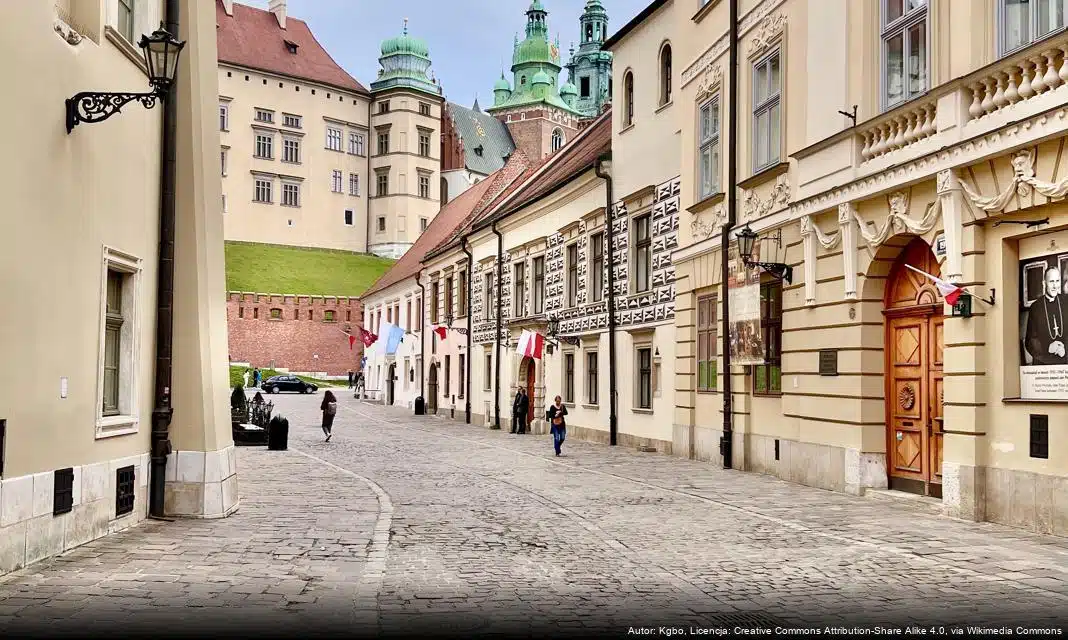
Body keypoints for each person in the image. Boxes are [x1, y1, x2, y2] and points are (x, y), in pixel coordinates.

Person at [1025, 266, 1068, 365]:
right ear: (1044, 283)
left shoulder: (1066, 302)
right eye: (1051, 281)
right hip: (1043, 361)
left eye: (1057, 281)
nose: (1055, 286)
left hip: (1065, 360)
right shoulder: (1035, 307)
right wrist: (1047, 347)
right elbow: (1030, 340)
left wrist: (1065, 348)